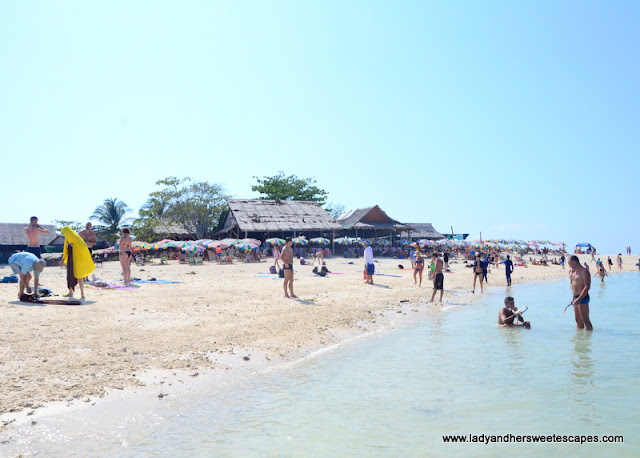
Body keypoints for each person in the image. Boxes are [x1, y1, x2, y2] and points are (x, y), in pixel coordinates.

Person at [61, 226, 95, 300]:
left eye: (65, 232)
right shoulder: (67, 238)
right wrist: (63, 259)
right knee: (70, 276)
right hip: (70, 260)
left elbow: (83, 247)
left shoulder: (76, 238)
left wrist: (74, 246)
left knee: (80, 276)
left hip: (78, 260)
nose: (64, 234)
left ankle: (82, 293)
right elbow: (65, 249)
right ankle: (70, 292)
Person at [568, 255, 592, 330]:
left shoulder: (584, 271)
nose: (569, 266)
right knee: (578, 320)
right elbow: (573, 286)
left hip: (583, 297)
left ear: (574, 262)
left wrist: (579, 299)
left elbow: (587, 286)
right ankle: (580, 340)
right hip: (575, 297)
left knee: (585, 320)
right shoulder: (573, 273)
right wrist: (573, 298)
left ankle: (588, 340)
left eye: (569, 264)